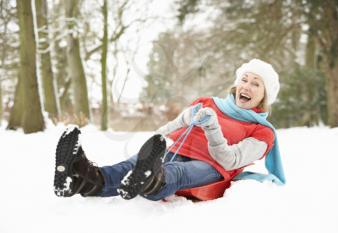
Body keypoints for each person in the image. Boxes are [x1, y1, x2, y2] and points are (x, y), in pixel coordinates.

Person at [53, 58, 285, 202]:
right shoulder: (208, 102)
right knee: (129, 165)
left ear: (265, 96)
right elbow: (175, 125)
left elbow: (230, 160)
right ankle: (79, 178)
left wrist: (213, 128)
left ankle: (151, 180)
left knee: (175, 171)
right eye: (244, 79)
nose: (247, 86)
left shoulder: (262, 132)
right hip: (177, 147)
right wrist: (160, 136)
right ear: (236, 83)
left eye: (256, 83)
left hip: (211, 167)